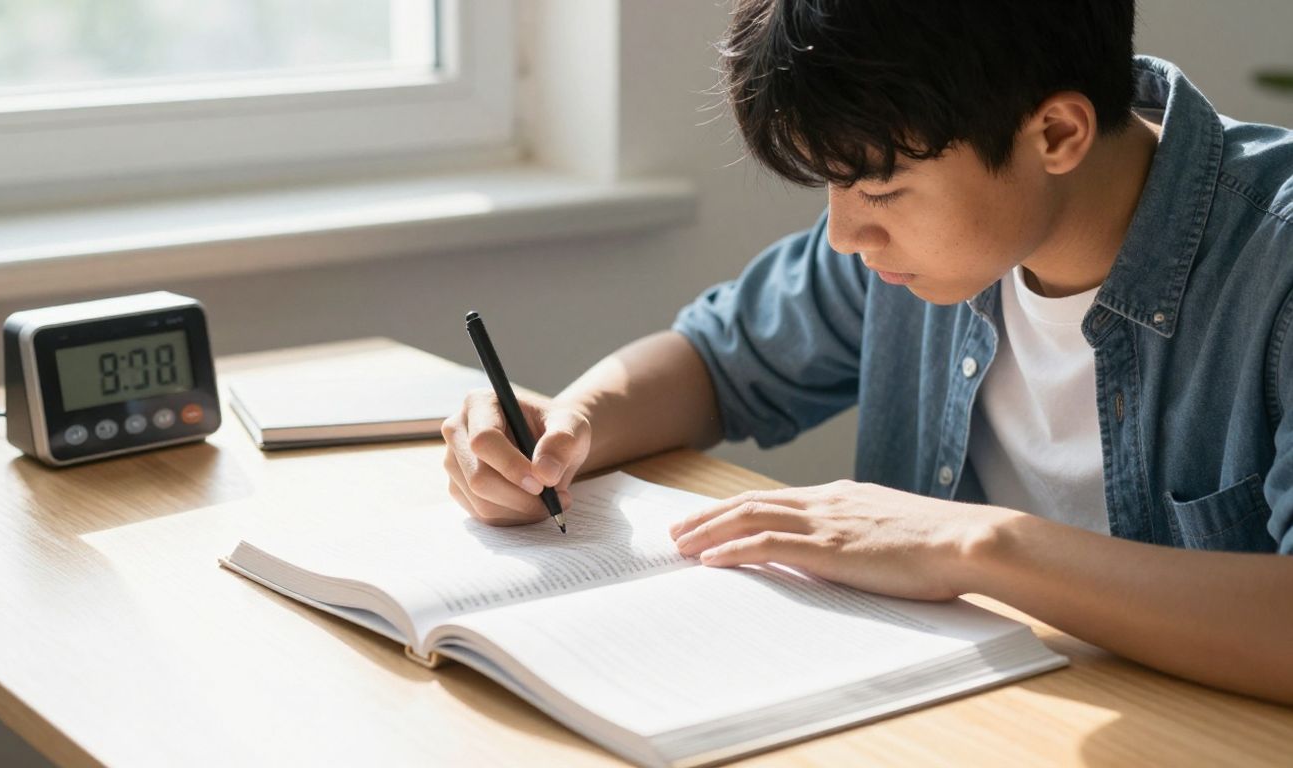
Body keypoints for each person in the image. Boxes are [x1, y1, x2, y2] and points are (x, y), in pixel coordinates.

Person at [441, 0, 1293, 702]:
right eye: (833, 185)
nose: (847, 233)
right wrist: (574, 420)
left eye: (880, 189)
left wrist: (975, 546)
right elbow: (714, 362)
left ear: (1057, 134)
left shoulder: (1275, 270)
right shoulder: (930, 242)